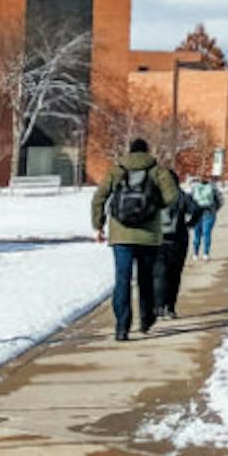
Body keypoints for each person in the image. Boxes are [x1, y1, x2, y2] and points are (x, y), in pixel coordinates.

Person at [90, 138, 180, 341]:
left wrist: (98, 224)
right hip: (148, 235)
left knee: (122, 280)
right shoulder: (157, 170)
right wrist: (154, 207)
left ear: (129, 151)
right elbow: (172, 196)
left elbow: (99, 197)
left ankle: (122, 327)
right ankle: (146, 319)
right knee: (145, 279)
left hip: (121, 234)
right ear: (147, 151)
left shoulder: (117, 170)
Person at [156, 172, 203, 320]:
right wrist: (191, 224)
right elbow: (196, 209)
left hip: (159, 239)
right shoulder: (182, 196)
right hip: (179, 239)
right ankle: (170, 307)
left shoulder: (155, 197)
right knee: (175, 274)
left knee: (159, 274)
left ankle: (158, 306)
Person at [187, 173, 222, 260]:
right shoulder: (213, 187)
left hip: (197, 213)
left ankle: (195, 253)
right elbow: (220, 200)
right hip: (209, 212)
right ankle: (206, 253)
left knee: (197, 234)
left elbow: (188, 201)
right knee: (207, 234)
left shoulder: (194, 188)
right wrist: (215, 209)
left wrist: (191, 211)